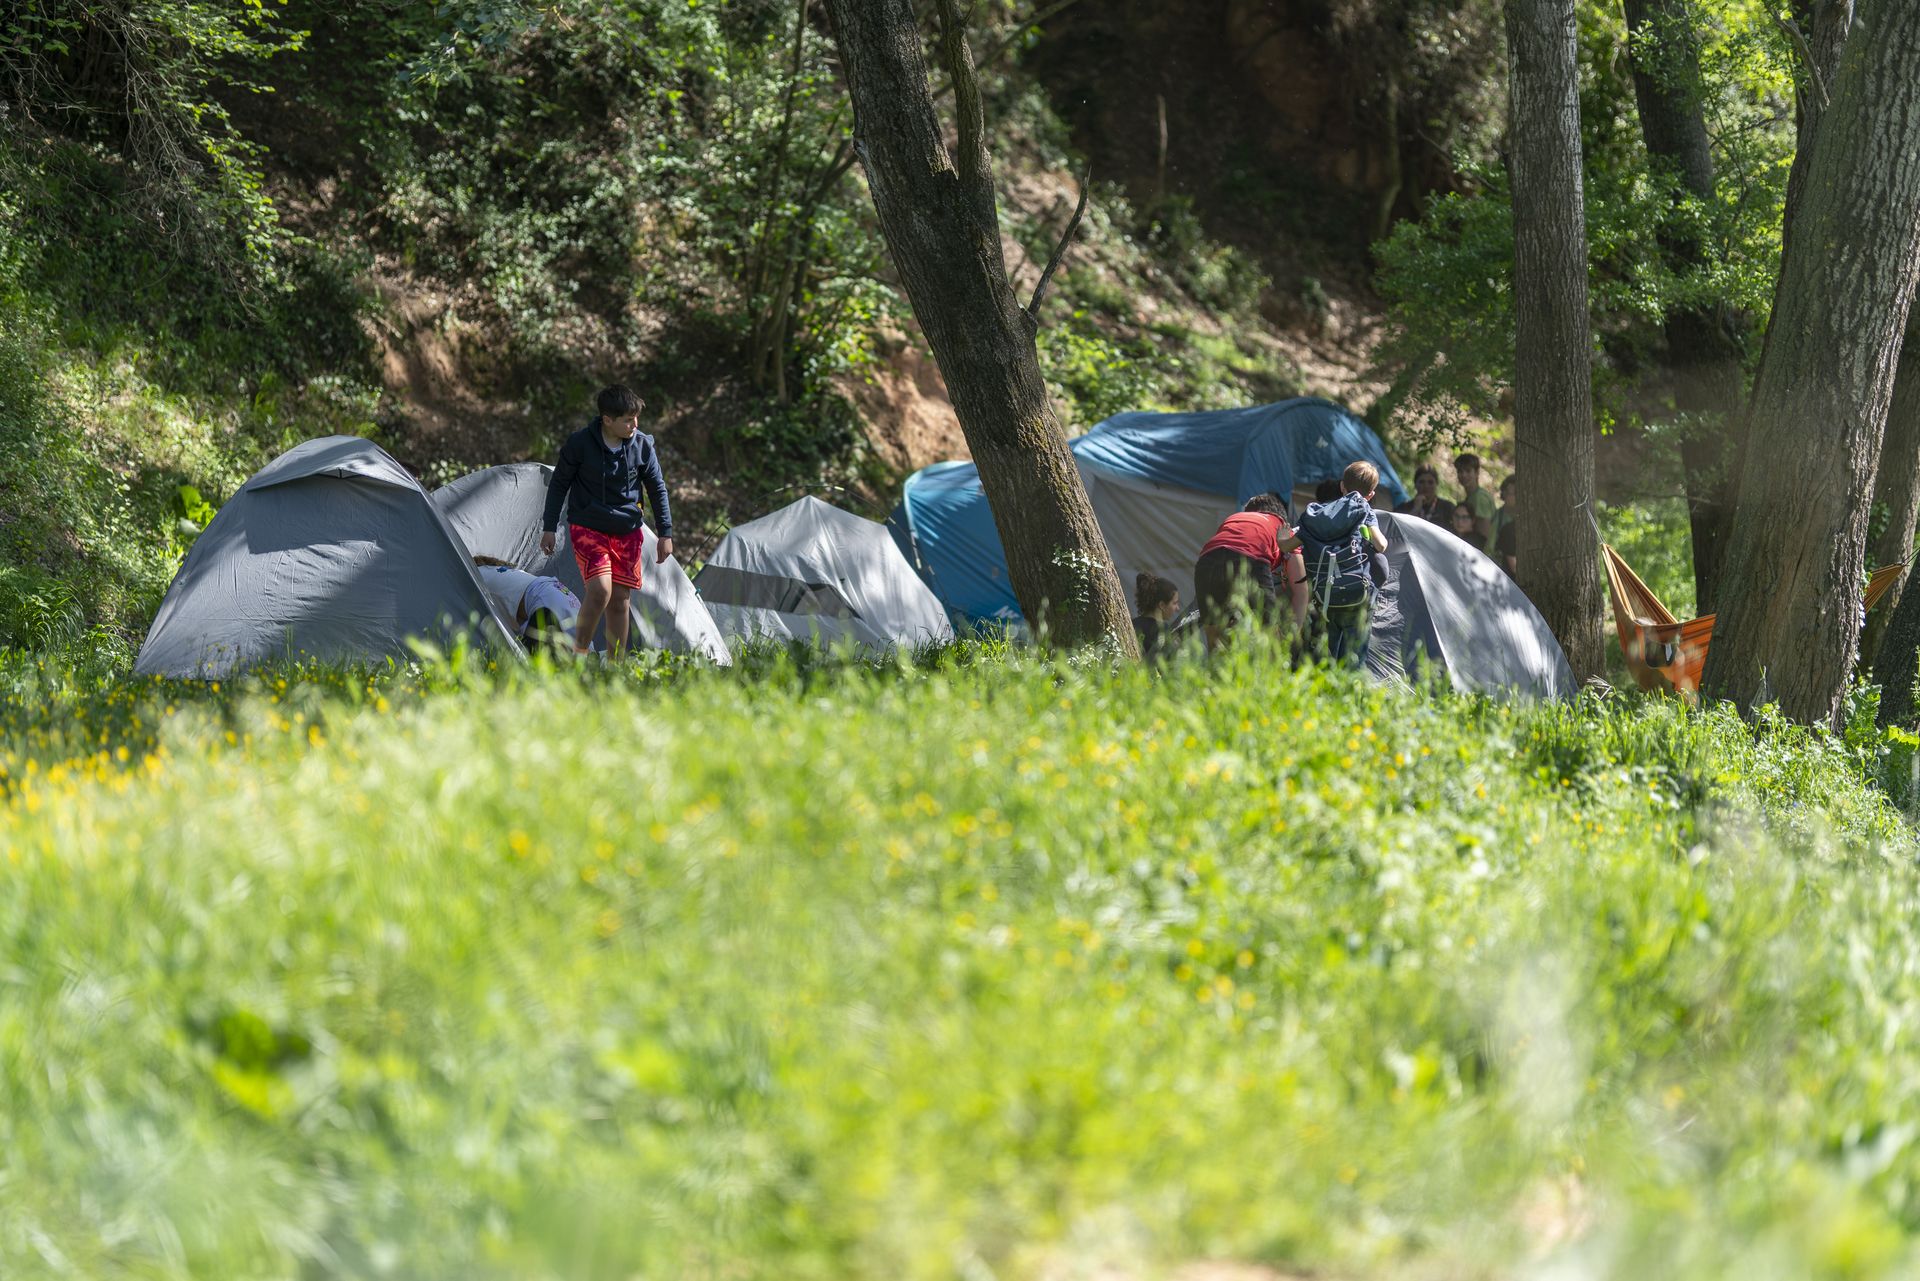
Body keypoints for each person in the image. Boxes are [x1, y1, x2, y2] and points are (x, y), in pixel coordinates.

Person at [540, 384, 675, 657]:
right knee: (601, 591)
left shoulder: (642, 446)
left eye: (636, 418)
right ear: (607, 420)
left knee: (620, 602)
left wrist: (665, 532)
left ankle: (615, 667)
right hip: (588, 527)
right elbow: (558, 485)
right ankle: (579, 655)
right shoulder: (579, 444)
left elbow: (657, 488)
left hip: (627, 530)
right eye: (627, 419)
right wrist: (549, 527)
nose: (634, 425)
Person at [1296, 460, 1389, 668]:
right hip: (1356, 596)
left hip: (1325, 596)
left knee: (1327, 657)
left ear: (1342, 486)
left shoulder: (1321, 513)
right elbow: (1381, 545)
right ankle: (1350, 694)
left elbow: (1291, 544)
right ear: (1371, 494)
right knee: (1353, 660)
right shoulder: (1365, 509)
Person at [1193, 493, 1309, 652]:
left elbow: (1226, 551)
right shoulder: (1282, 527)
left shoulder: (1234, 518)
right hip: (1250, 558)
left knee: (1217, 644)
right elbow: (1301, 590)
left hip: (1206, 561)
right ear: (1282, 517)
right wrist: (1293, 640)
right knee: (1271, 642)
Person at [472, 555, 582, 650]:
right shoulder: (500, 570)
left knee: (552, 655)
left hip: (544, 598)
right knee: (580, 649)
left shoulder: (477, 575)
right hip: (563, 594)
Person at [1132, 573, 1181, 661]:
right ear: (1162, 605)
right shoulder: (1165, 631)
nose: (1177, 608)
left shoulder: (1131, 624)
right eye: (1174, 603)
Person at [1454, 453, 1496, 552]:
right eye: (1460, 471)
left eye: (1468, 471)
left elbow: (1484, 535)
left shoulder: (1479, 497)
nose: (1464, 475)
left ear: (1477, 473)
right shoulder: (1472, 496)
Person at [1492, 474, 1517, 576]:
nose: (1505, 495)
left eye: (1510, 493)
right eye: (1505, 491)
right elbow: (1490, 546)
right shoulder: (1498, 516)